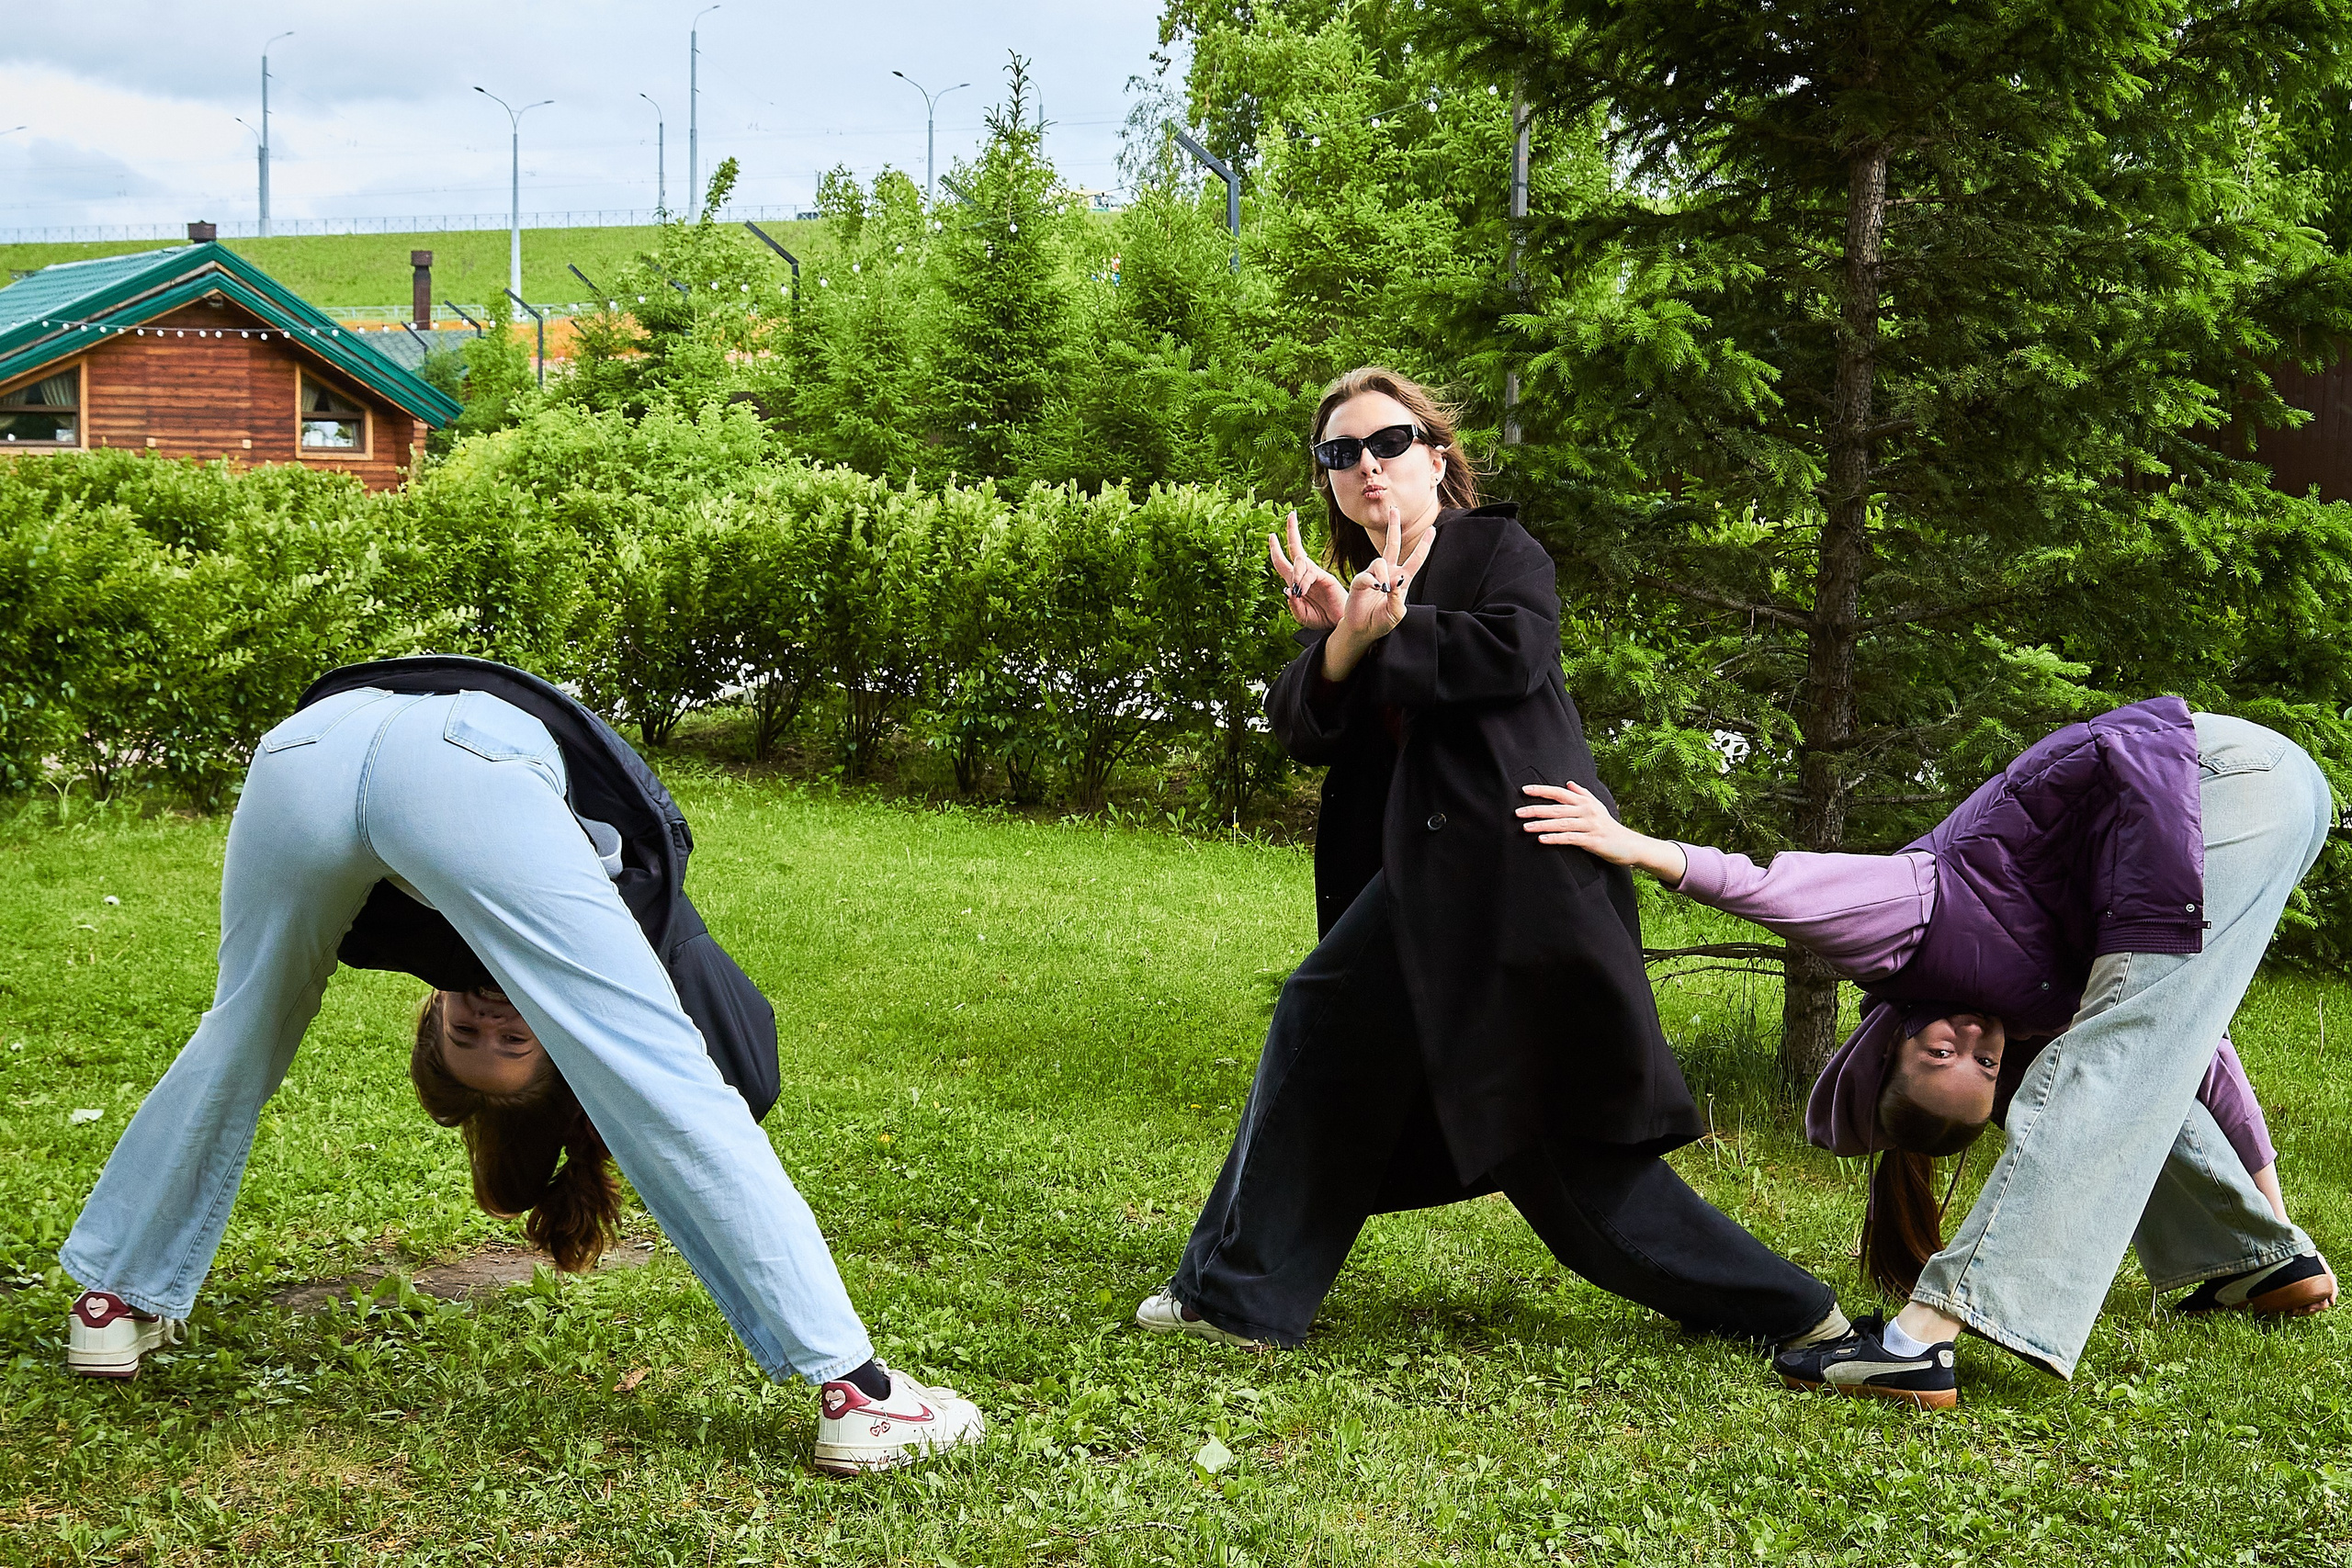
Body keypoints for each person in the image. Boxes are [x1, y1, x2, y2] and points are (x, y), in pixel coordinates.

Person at [58, 657, 982, 1476]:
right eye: (511, 1046)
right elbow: (718, 1073)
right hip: (417, 747)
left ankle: (113, 1295)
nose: (496, 1024)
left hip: (311, 747)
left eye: (474, 1042)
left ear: (434, 1016)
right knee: (659, 1078)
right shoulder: (562, 936)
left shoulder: (415, 935)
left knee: (241, 1027)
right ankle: (859, 1395)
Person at [1134, 367, 1851, 1357]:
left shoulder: (1493, 550)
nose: (1365, 467)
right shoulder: (1366, 596)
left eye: (1387, 444)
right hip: (1436, 887)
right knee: (1544, 1151)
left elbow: (1509, 655)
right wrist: (1347, 638)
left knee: (1338, 1028)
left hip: (1512, 873)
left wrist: (1387, 629)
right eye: (1338, 454)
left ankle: (1233, 1296)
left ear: (1434, 456)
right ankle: (1793, 1310)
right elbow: (1303, 725)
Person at [1519, 697, 2335, 1408]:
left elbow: (1772, 887)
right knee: (2124, 1049)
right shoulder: (2031, 1012)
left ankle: (1918, 1343)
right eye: (1982, 1067)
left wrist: (1636, 845)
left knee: (2100, 1068)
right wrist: (2281, 1227)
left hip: (2211, 777)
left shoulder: (1918, 917)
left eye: (1945, 1048)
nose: (1978, 1043)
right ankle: (2259, 1261)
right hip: (2282, 798)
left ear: (1898, 1041)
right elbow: (2198, 1051)